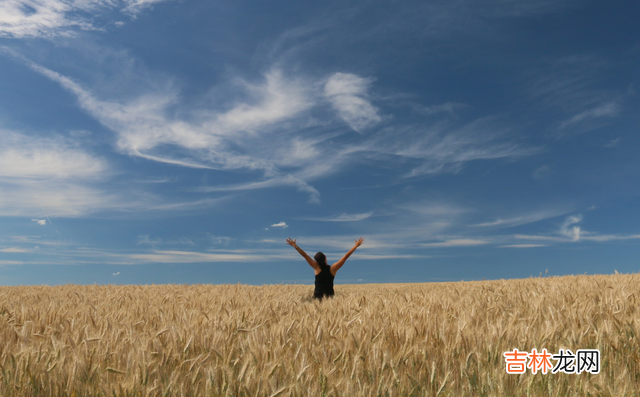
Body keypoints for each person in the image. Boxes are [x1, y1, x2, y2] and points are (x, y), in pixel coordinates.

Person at [286, 237, 364, 300]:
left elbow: (305, 255)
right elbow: (345, 257)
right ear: (325, 258)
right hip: (329, 297)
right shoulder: (333, 268)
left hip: (317, 296)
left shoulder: (316, 266)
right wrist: (355, 246)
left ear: (317, 260)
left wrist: (295, 246)